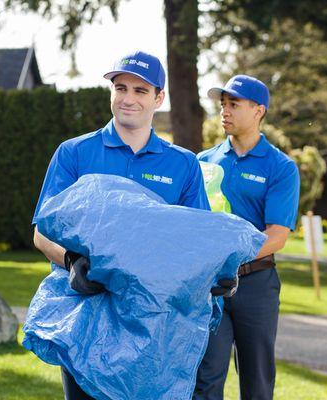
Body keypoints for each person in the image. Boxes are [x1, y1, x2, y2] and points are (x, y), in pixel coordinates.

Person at [31, 50, 214, 400]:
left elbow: (195, 239)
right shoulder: (74, 153)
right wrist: (71, 262)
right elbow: (42, 231)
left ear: (159, 98)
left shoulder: (183, 165)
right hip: (84, 311)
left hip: (151, 315)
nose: (128, 98)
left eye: (140, 91)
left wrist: (216, 271)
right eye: (120, 88)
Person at [194, 75, 300, 400]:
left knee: (257, 380)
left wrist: (232, 260)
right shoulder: (202, 162)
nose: (225, 111)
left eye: (234, 104)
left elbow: (277, 236)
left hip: (256, 286)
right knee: (206, 376)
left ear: (258, 110)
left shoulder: (281, 167)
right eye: (223, 104)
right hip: (210, 286)